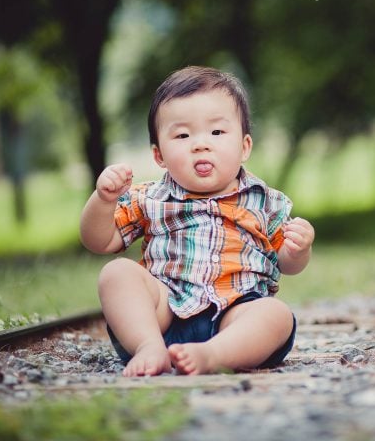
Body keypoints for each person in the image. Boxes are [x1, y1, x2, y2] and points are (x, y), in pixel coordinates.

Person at [80, 65, 315, 377]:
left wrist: (298, 250)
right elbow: (99, 241)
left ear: (244, 147)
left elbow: (286, 264)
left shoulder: (265, 202)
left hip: (235, 315)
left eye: (217, 132)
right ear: (159, 155)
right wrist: (103, 200)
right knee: (116, 273)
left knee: (276, 314)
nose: (200, 144)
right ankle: (148, 347)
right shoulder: (149, 198)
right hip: (164, 315)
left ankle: (212, 354)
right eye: (182, 135)